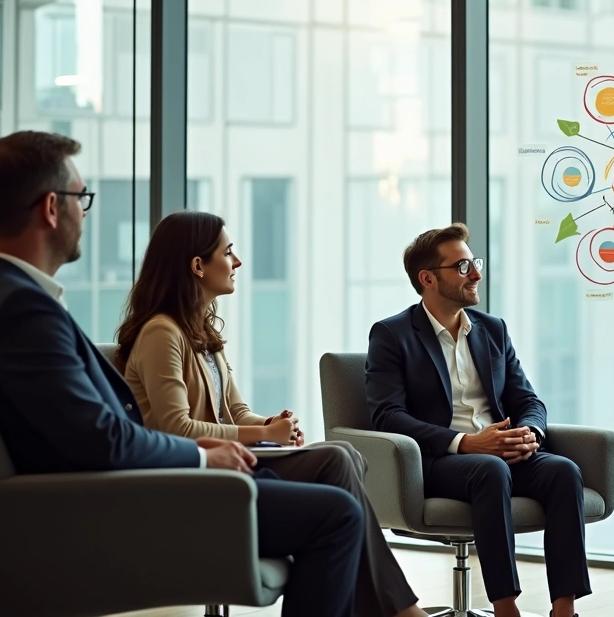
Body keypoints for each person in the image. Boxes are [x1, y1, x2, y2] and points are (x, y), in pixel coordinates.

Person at [0, 131, 363, 617]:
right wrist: (204, 457)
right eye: (81, 198)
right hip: (114, 511)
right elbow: (105, 441)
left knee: (334, 478)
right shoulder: (23, 311)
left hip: (90, 499)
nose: (85, 213)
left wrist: (208, 447)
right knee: (337, 515)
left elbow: (91, 434)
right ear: (50, 208)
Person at [114, 210, 430, 617]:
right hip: (192, 478)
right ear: (197, 266)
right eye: (228, 253)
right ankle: (398, 609)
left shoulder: (201, 332)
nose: (238, 262)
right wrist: (261, 435)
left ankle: (385, 608)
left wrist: (267, 425)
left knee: (343, 456)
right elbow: (176, 427)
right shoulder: (162, 332)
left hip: (229, 466)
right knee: (337, 462)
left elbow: (235, 411)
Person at [365, 223, 590, 617]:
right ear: (428, 278)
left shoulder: (492, 330)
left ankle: (564, 608)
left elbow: (527, 398)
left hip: (503, 452)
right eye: (464, 266)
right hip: (440, 460)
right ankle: (506, 607)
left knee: (564, 472)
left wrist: (529, 433)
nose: (478, 274)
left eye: (476, 263)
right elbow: (388, 416)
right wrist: (466, 443)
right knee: (489, 470)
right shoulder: (392, 334)